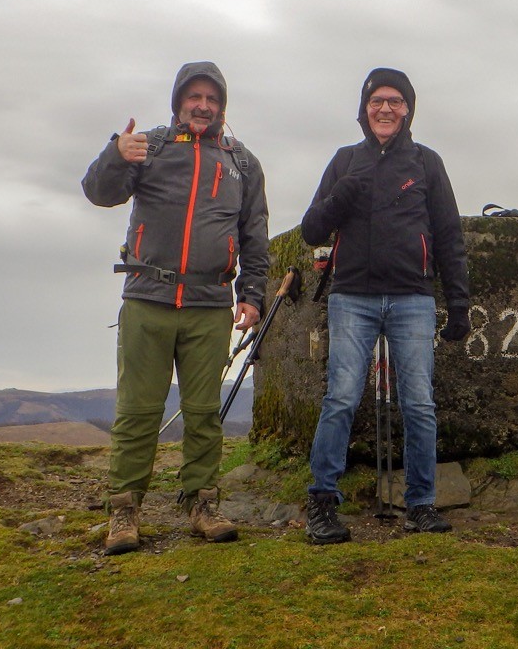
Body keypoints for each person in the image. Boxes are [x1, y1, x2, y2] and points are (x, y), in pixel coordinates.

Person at [82, 61, 270, 556]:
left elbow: (255, 235)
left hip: (210, 303)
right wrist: (115, 153)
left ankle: (203, 504)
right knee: (138, 411)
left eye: (212, 99)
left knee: (205, 411)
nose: (203, 105)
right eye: (195, 97)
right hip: (148, 296)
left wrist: (253, 296)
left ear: (222, 107)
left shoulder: (243, 163)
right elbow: (99, 193)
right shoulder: (149, 147)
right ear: (179, 101)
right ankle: (124, 510)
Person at [300, 68, 470, 544]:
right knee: (340, 398)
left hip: (413, 298)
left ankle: (420, 505)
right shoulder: (344, 161)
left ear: (408, 109)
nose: (386, 109)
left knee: (419, 403)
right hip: (351, 296)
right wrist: (342, 194)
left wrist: (459, 303)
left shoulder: (426, 163)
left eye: (396, 101)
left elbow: (449, 235)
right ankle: (322, 503)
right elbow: (312, 230)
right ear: (364, 108)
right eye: (378, 100)